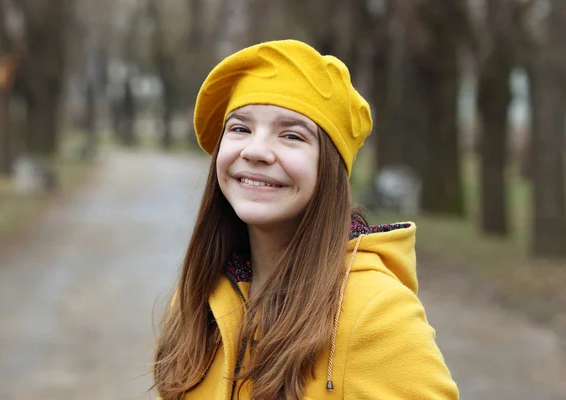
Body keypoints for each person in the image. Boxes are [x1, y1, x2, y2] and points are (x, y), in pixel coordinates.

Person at [152, 39, 459, 400]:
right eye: (240, 128)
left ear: (328, 168)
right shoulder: (200, 295)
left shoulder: (375, 313)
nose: (255, 151)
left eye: (292, 135)